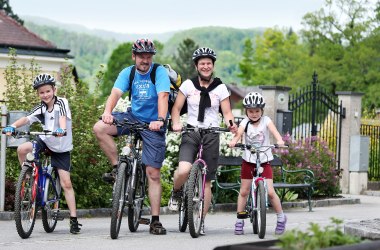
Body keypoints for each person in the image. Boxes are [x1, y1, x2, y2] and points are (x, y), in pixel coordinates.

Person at [93, 38, 170, 235]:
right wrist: (107, 112)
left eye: (149, 56)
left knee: (153, 173)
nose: (145, 60)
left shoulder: (158, 72)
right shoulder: (129, 72)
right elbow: (115, 93)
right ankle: (117, 167)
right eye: (142, 56)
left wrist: (160, 119)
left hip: (153, 123)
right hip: (133, 117)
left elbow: (163, 96)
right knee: (100, 128)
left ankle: (155, 220)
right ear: (134, 56)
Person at [168, 47, 237, 235]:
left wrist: (231, 124)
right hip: (191, 132)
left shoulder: (220, 88)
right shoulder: (188, 85)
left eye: (209, 63)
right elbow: (176, 108)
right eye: (202, 63)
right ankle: (176, 192)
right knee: (183, 170)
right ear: (196, 66)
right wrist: (175, 122)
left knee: (207, 181)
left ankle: (201, 220)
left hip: (212, 134)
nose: (205, 66)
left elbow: (227, 112)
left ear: (213, 65)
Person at [2, 73, 82, 234]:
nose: (45, 95)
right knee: (22, 149)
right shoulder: (40, 108)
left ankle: (73, 219)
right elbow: (26, 119)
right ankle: (28, 177)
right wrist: (12, 126)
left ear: (54, 89)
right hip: (44, 141)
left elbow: (62, 118)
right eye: (41, 92)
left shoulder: (62, 103)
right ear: (38, 94)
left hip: (61, 148)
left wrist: (61, 129)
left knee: (66, 183)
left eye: (47, 91)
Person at [228, 91, 287, 235]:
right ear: (246, 111)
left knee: (271, 192)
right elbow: (239, 133)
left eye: (256, 111)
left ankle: (281, 218)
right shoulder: (244, 122)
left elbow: (275, 132)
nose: (254, 114)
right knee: (244, 191)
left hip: (265, 160)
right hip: (249, 160)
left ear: (262, 110)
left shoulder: (266, 121)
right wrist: (234, 141)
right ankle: (240, 220)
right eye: (250, 111)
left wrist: (279, 141)